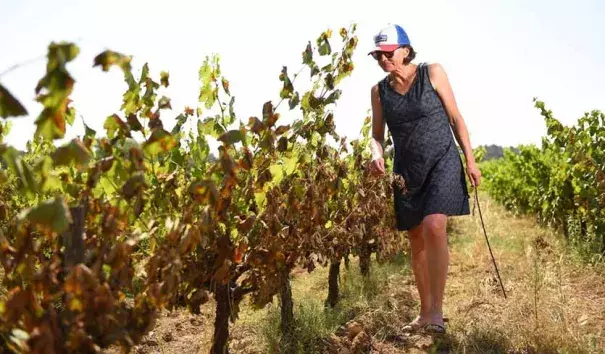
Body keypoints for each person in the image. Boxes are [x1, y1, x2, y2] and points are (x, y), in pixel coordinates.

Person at [367, 24, 481, 334]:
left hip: (442, 159)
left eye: (387, 53)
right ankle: (424, 310)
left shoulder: (433, 72)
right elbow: (377, 135)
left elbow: (456, 117)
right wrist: (376, 153)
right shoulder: (379, 92)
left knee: (434, 225)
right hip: (406, 169)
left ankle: (438, 313)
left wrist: (469, 159)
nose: (382, 59)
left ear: (405, 49)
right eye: (377, 54)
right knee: (416, 237)